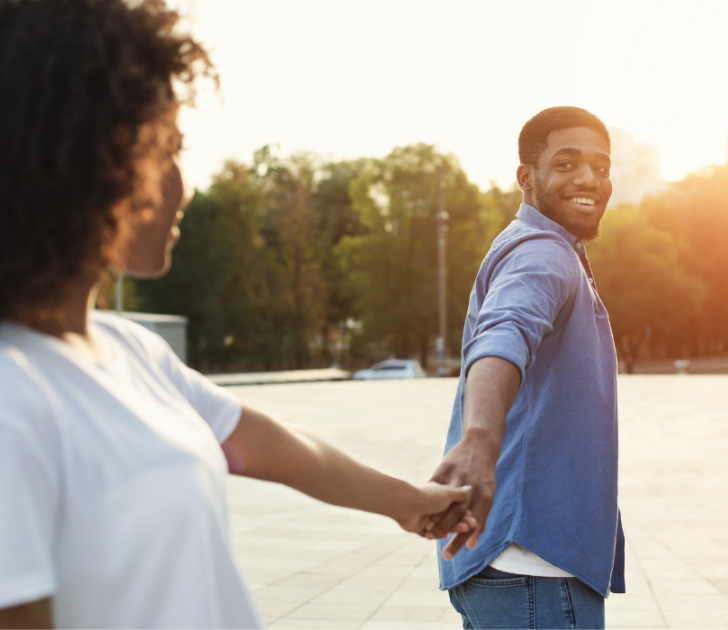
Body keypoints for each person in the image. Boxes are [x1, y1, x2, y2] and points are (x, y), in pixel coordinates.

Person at [0, 1, 473, 627]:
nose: (183, 184)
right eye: (165, 147)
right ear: (83, 156)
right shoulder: (14, 393)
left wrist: (410, 502)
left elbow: (285, 449)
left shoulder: (127, 348)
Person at [425, 107, 626, 629]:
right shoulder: (543, 254)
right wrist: (481, 440)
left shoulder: (537, 246)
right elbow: (504, 334)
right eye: (566, 164)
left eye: (601, 167)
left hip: (511, 569)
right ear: (526, 177)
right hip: (534, 572)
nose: (589, 179)